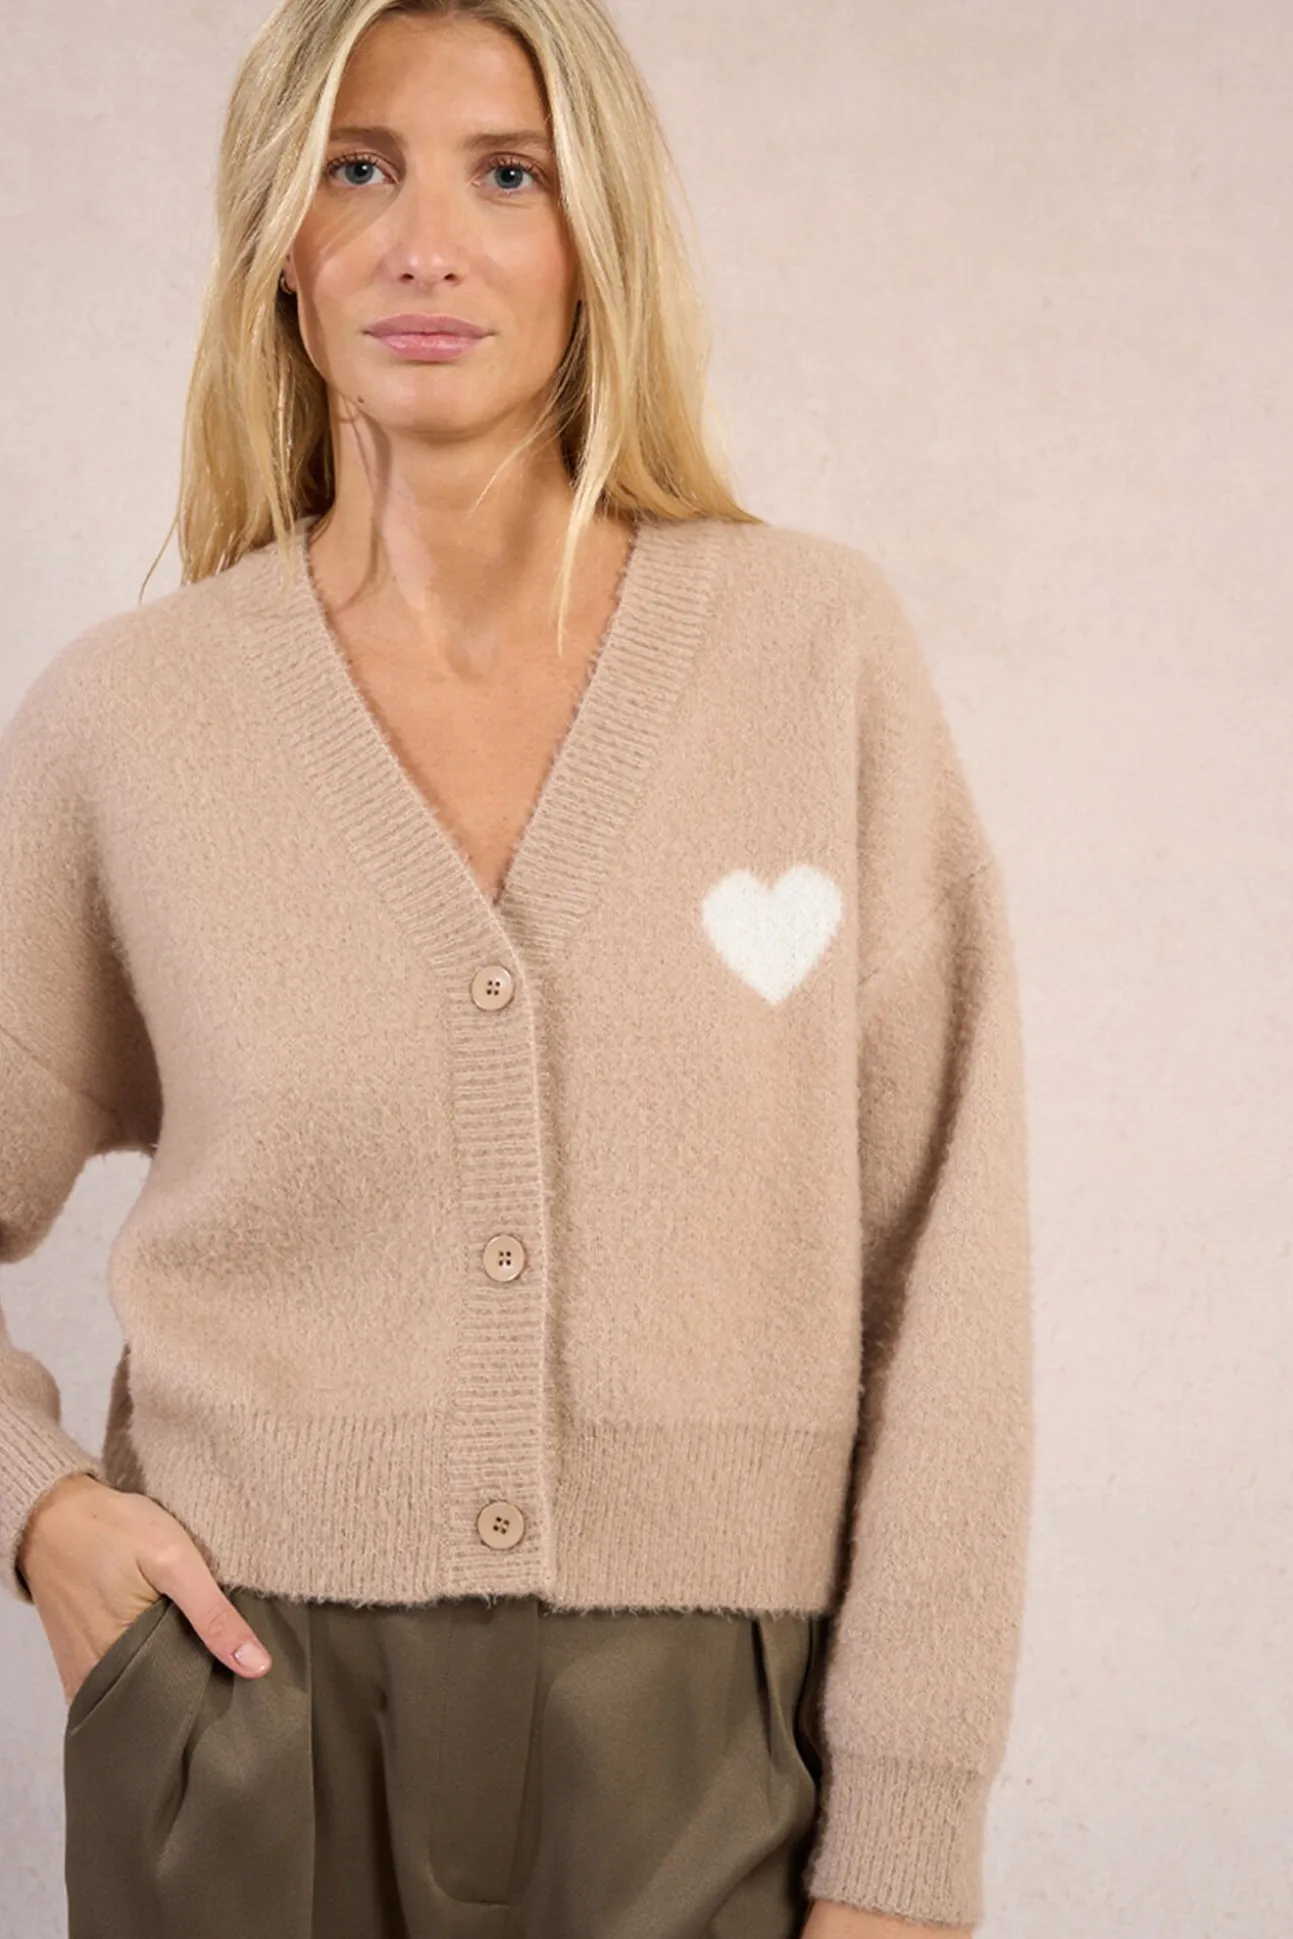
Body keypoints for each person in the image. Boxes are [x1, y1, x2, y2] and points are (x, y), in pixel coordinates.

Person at [0, 3, 1034, 1936]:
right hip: (242, 1705)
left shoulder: (813, 657)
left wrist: (908, 1838)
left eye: (507, 174)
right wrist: (38, 1506)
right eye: (358, 168)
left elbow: (945, 1268)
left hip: (710, 1735)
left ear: (598, 233)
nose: (425, 244)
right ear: (282, 243)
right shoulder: (128, 724)